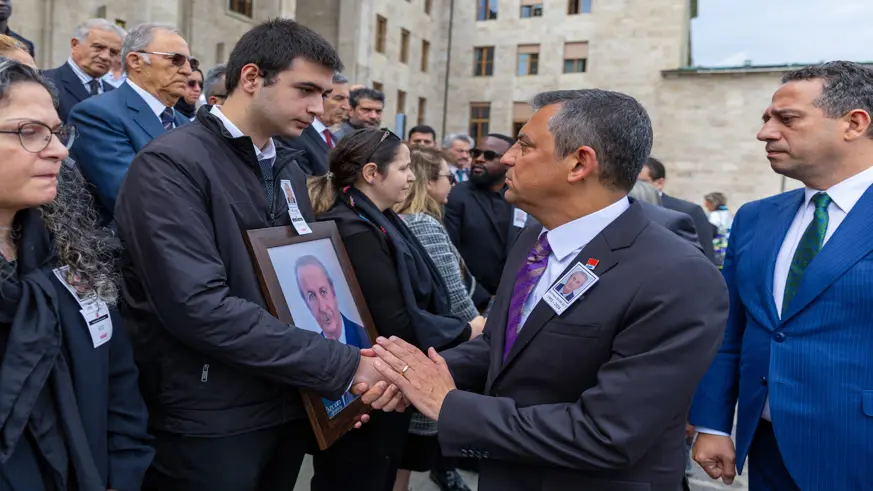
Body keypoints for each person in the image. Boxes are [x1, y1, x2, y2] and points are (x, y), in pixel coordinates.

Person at [364, 89, 729, 491]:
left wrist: (449, 405)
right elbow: (507, 343)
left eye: (525, 145)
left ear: (579, 163)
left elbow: (606, 433)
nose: (506, 158)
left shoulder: (678, 277)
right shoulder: (537, 237)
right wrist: (425, 372)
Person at [113, 19, 392, 491]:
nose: (318, 108)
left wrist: (334, 392)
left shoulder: (288, 166)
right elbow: (198, 307)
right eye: (305, 89)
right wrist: (343, 367)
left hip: (283, 403)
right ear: (250, 77)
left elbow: (299, 292)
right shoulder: (170, 165)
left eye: (324, 94)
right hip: (209, 417)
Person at [690, 61, 873, 491]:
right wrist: (714, 422)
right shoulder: (755, 218)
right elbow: (731, 329)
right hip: (767, 450)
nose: (765, 133)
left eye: (787, 119)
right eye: (767, 119)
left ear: (854, 123)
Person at [0, 59, 152, 491]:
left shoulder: (67, 253)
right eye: (29, 132)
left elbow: (117, 379)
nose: (60, 151)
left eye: (56, 132)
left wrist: (122, 475)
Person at [309, 128, 486, 491]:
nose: (410, 177)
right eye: (404, 168)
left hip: (385, 379)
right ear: (372, 173)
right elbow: (393, 320)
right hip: (368, 383)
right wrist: (468, 331)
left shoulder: (379, 219)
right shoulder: (355, 228)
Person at [394, 145, 482, 491]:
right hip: (427, 352)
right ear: (428, 182)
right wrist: (484, 329)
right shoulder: (424, 225)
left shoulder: (399, 220)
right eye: (448, 177)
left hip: (411, 349)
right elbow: (456, 301)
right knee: (401, 464)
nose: (453, 185)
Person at [69, 22, 193, 222]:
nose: (187, 70)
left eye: (191, 62)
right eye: (176, 59)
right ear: (136, 61)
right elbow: (134, 198)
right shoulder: (97, 114)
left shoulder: (187, 124)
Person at [42, 19, 123, 122]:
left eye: (113, 52)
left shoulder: (117, 95)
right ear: (75, 44)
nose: (106, 57)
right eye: (98, 47)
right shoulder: (43, 82)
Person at [639, 157, 717, 263]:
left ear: (659, 183)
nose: (634, 187)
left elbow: (706, 259)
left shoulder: (688, 211)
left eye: (641, 182)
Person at [275, 72, 350, 176]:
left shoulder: (334, 139)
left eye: (348, 99)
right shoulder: (293, 135)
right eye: (339, 98)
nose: (346, 106)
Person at [703, 191, 732, 268]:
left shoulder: (714, 216)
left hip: (717, 252)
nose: (706, 206)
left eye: (707, 204)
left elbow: (710, 233)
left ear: (713, 203)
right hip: (728, 252)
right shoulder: (728, 214)